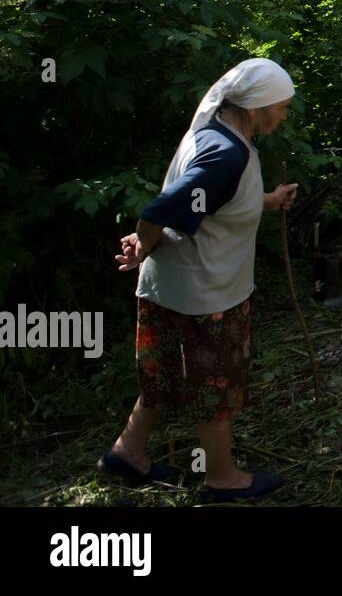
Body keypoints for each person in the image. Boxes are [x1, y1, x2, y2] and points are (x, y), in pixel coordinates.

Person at [105, 57, 299, 502]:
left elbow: (210, 204)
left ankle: (128, 450)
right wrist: (143, 241)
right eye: (281, 107)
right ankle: (222, 477)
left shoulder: (218, 129)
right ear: (257, 105)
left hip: (169, 287)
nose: (283, 116)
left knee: (164, 375)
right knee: (216, 383)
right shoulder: (226, 153)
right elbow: (161, 210)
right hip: (206, 296)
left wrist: (266, 200)